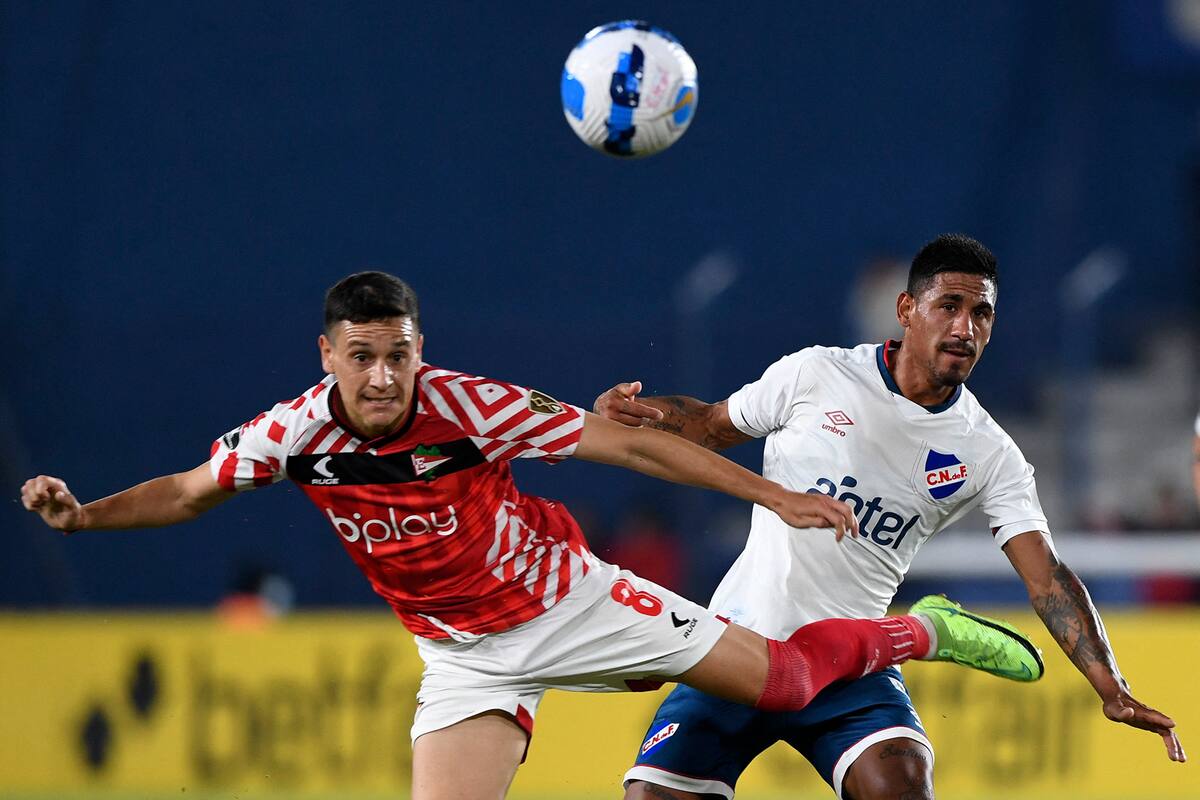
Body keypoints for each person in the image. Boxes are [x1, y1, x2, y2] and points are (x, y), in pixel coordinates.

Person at [22, 271, 1045, 800]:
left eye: (401, 356)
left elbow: (633, 449)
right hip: (461, 654)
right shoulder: (294, 431)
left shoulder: (470, 404)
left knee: (783, 682)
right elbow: (194, 490)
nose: (385, 379)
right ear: (327, 354)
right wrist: (88, 511)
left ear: (423, 351)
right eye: (364, 358)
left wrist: (769, 495)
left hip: (569, 598)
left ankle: (922, 631)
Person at [596, 234, 1186, 800]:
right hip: (740, 646)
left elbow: (1046, 576)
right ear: (907, 309)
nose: (965, 328)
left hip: (854, 662)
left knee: (901, 785)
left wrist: (1111, 686)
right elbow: (710, 425)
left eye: (981, 314)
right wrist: (637, 416)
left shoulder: (990, 452)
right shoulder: (816, 374)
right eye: (949, 306)